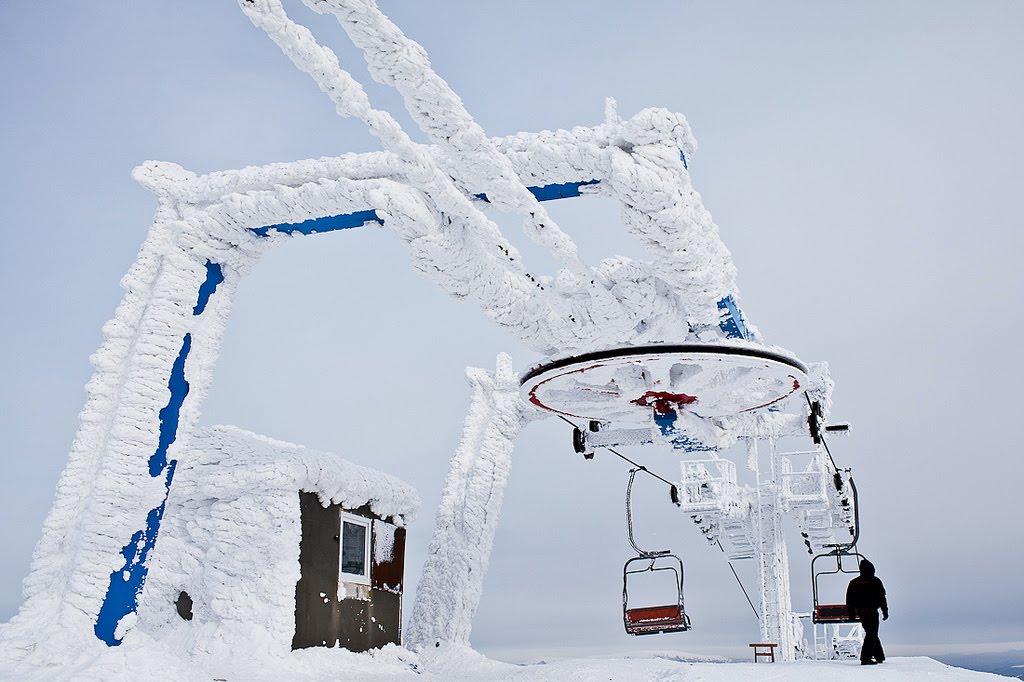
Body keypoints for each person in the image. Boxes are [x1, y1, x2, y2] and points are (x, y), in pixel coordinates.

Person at [846, 558, 889, 665]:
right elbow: (882, 598)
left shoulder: (854, 582)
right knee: (872, 633)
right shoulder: (876, 581)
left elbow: (849, 600)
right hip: (872, 611)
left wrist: (851, 613)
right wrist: (885, 611)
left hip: (861, 612)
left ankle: (879, 656)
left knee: (872, 633)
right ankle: (865, 658)